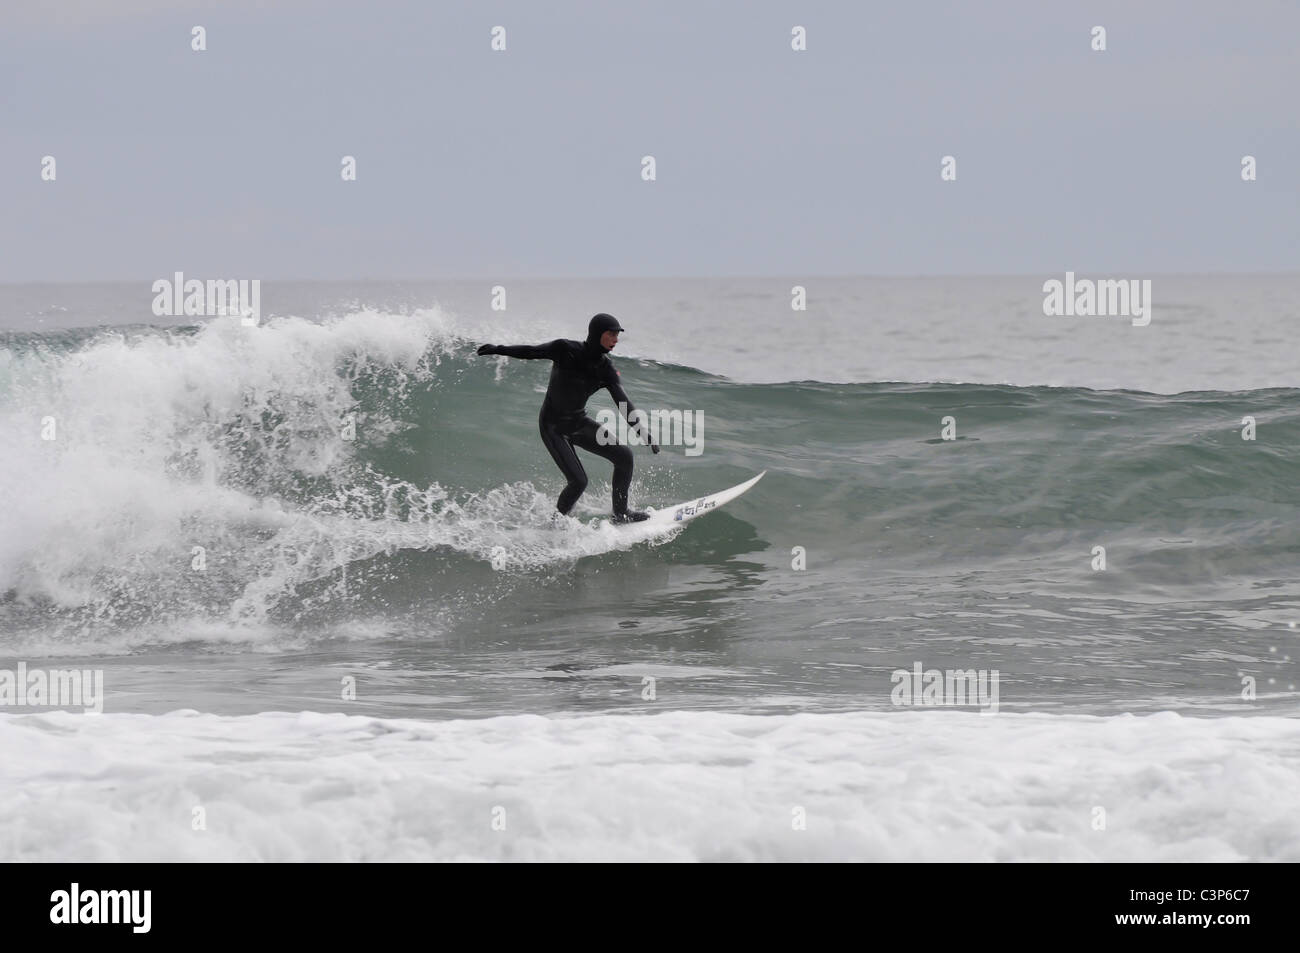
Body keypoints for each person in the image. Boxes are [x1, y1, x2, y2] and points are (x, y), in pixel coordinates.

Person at [476, 313, 660, 522]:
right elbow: (531, 351)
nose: (616, 339)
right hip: (552, 426)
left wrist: (642, 433)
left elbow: (623, 403)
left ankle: (620, 513)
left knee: (624, 456)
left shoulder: (606, 369)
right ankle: (556, 523)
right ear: (597, 334)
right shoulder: (565, 349)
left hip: (578, 422)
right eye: (611, 334)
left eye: (617, 335)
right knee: (578, 481)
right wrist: (498, 349)